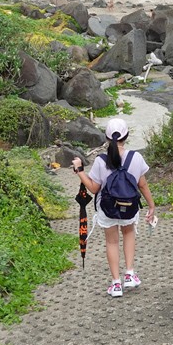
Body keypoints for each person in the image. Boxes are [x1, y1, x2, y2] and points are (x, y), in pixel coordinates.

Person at [72, 119, 155, 297]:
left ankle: (116, 285)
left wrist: (79, 171)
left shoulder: (101, 160)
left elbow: (94, 188)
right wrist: (151, 205)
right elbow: (143, 185)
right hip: (129, 208)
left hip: (107, 208)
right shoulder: (136, 157)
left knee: (111, 242)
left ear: (107, 138)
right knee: (128, 234)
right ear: (126, 136)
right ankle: (130, 274)